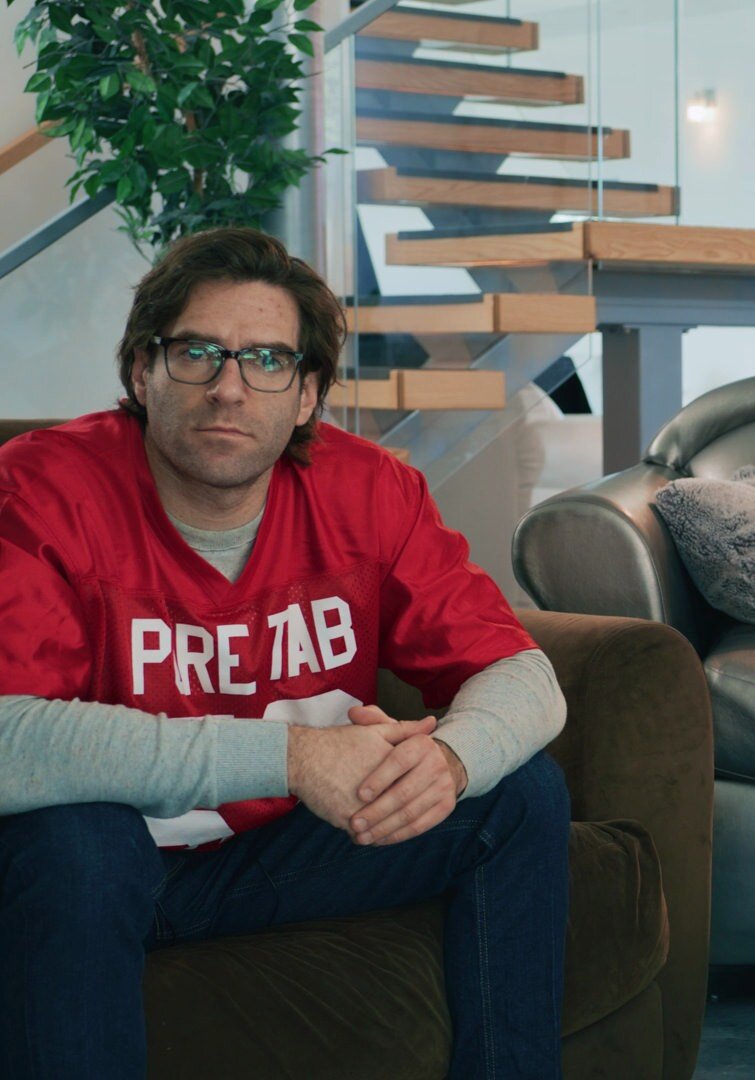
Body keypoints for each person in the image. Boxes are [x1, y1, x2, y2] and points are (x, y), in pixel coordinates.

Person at [0, 227, 572, 1076]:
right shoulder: (42, 487)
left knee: (517, 792)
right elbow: (8, 739)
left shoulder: (370, 490)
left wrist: (449, 762)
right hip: (103, 868)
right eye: (197, 353)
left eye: (268, 360)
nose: (229, 388)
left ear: (307, 394)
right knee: (75, 841)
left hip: (278, 857)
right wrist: (295, 758)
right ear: (142, 372)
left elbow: (522, 674)